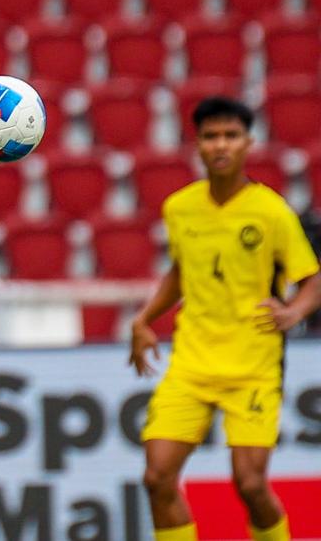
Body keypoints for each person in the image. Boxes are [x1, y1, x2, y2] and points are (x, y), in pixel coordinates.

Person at [129, 96, 321, 541]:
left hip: (252, 362)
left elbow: (311, 280)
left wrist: (293, 311)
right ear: (196, 144)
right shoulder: (179, 208)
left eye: (231, 136)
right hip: (192, 361)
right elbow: (182, 271)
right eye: (211, 136)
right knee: (157, 479)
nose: (221, 145)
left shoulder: (270, 211)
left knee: (250, 485)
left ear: (248, 143)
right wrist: (144, 319)